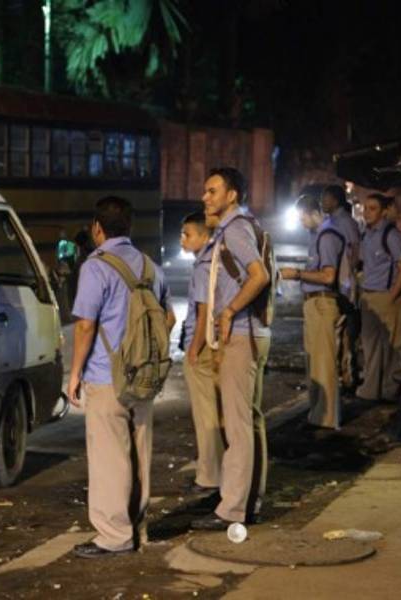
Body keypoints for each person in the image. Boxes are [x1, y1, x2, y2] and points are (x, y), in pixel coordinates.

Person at [68, 196, 175, 558]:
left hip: (106, 376)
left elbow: (85, 325)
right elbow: (168, 319)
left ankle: (113, 536)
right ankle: (136, 528)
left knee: (109, 458)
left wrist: (74, 373)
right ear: (129, 227)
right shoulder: (150, 267)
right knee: (138, 453)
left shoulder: (95, 267)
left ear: (97, 229)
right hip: (144, 377)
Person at [190, 167, 271, 531]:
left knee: (237, 427)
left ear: (232, 195)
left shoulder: (235, 230)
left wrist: (230, 310)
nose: (205, 197)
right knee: (250, 422)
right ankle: (249, 499)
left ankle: (232, 508)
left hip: (242, 333)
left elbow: (259, 275)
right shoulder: (243, 226)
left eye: (212, 191)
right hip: (252, 331)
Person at [281, 194, 346, 429]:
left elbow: (328, 276)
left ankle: (327, 418)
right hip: (315, 303)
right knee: (315, 363)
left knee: (323, 364)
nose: (300, 222)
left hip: (322, 302)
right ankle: (319, 415)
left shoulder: (327, 237)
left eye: (302, 217)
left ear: (313, 213)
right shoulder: (318, 235)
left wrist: (296, 274)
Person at [180, 211, 222, 493]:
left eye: (188, 234)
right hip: (216, 342)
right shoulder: (216, 259)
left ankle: (209, 476)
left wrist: (194, 348)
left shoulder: (203, 266)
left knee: (206, 415)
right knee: (216, 413)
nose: (183, 240)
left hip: (203, 345)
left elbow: (202, 309)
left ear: (203, 236)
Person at [357, 193, 401, 402]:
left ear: (384, 211)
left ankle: (390, 390)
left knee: (392, 346)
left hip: (386, 297)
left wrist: (392, 295)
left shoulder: (390, 235)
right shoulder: (366, 234)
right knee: (370, 345)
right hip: (368, 296)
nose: (367, 213)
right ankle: (371, 389)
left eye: (373, 208)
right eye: (365, 208)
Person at [321, 184, 361, 391]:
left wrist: (349, 277)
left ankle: (347, 377)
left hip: (343, 284)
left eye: (325, 198)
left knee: (343, 335)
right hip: (339, 283)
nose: (322, 202)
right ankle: (341, 376)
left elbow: (354, 252)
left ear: (335, 200)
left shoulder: (345, 222)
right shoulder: (332, 221)